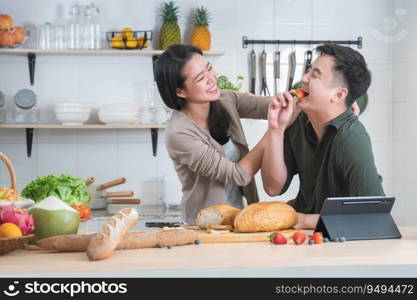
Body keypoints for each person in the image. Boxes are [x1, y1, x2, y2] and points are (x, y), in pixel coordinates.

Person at [261, 44, 385, 229]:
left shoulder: (351, 138)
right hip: (303, 234)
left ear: (338, 94)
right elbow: (272, 188)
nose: (303, 79)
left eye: (315, 75)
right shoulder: (299, 122)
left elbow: (374, 214)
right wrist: (276, 129)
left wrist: (302, 220)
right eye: (308, 71)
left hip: (339, 239)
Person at [155, 44, 273, 225]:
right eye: (201, 78)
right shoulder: (179, 133)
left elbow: (270, 105)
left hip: (238, 219)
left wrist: (301, 97)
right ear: (180, 91)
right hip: (205, 226)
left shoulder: (225, 100)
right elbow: (238, 175)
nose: (212, 79)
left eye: (209, 68)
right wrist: (273, 132)